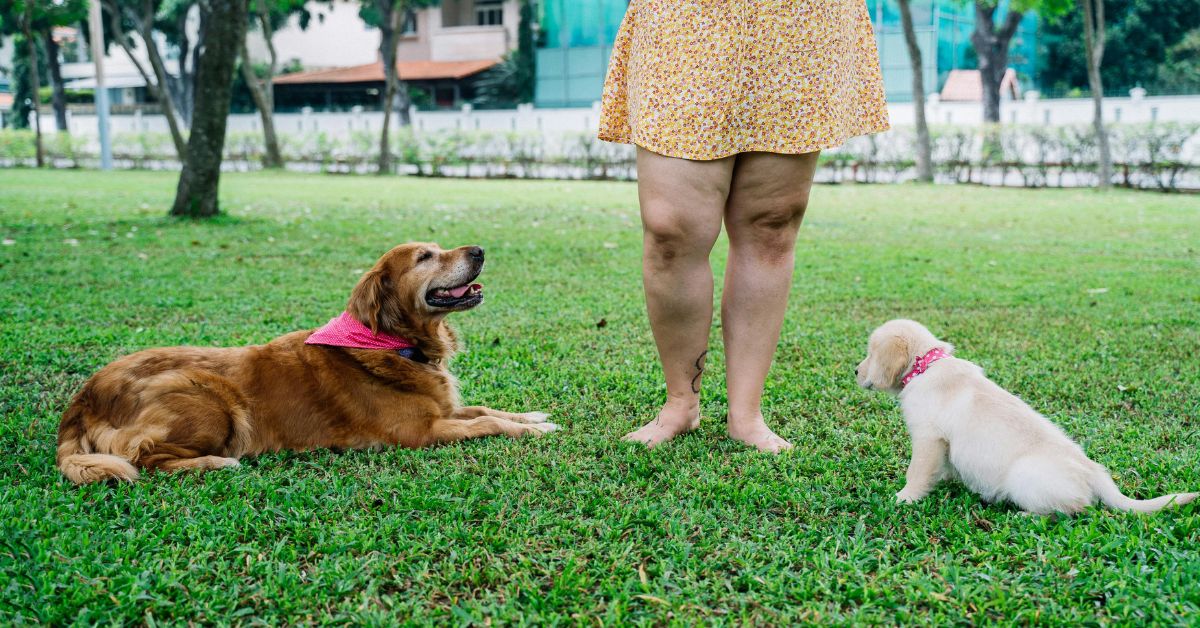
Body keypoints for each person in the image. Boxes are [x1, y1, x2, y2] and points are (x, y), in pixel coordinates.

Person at [598, 0, 889, 452]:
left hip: (797, 22)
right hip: (687, 21)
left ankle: (746, 414)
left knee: (771, 226)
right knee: (670, 230)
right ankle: (681, 403)